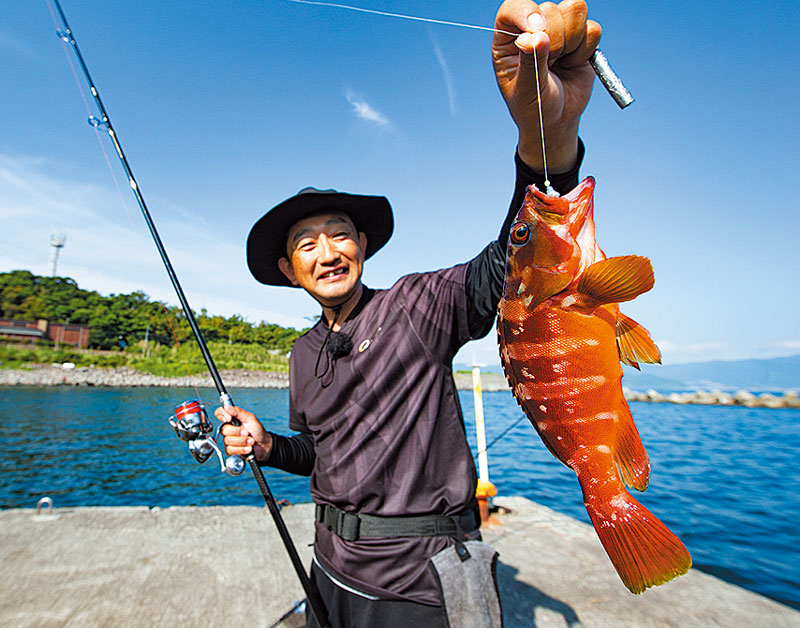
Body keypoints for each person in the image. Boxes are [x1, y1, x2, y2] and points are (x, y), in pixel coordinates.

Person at [216, 1, 601, 626]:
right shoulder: (302, 352)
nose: (328, 253)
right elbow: (318, 453)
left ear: (362, 245)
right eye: (306, 245)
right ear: (289, 270)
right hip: (332, 570)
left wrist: (546, 138)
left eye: (339, 235)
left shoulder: (419, 306)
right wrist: (267, 447)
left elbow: (513, 259)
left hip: (423, 583)